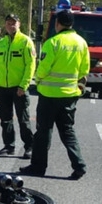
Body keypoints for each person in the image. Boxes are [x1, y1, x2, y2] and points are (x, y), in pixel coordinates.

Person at [22, 9, 89, 179]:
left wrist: (37, 81)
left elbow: (43, 68)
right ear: (71, 24)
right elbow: (84, 70)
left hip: (49, 95)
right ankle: (79, 165)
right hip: (69, 95)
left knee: (43, 132)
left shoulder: (52, 43)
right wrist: (78, 89)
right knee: (68, 131)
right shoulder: (82, 43)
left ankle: (38, 167)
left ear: (57, 23)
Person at [0, 14, 35, 158]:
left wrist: (23, 86)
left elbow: (30, 66)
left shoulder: (25, 41)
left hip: (18, 88)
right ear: (5, 25)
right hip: (1, 87)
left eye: (13, 23)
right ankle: (9, 146)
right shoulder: (1, 43)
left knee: (23, 120)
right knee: (5, 120)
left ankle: (29, 147)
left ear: (19, 24)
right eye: (8, 23)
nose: (11, 25)